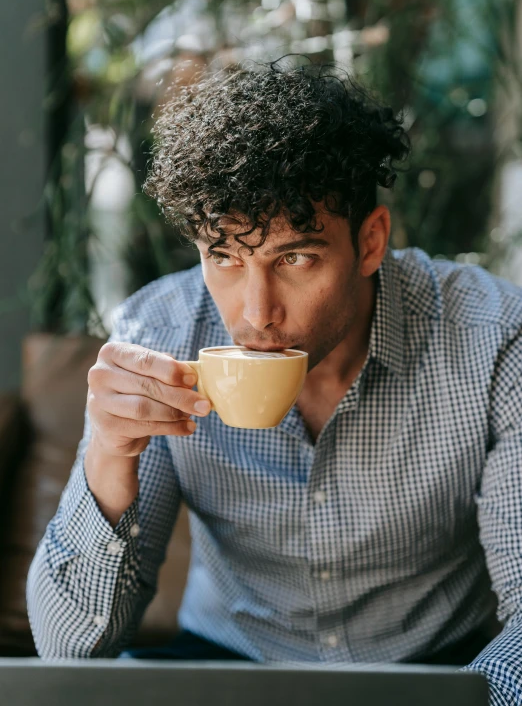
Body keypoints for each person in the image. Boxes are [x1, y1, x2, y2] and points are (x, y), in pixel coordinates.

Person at [27, 56, 522, 704]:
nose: (256, 313)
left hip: (436, 671)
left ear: (370, 243)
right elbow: (67, 648)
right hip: (224, 667)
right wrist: (107, 460)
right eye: (224, 257)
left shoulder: (492, 339)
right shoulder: (159, 333)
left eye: (295, 257)